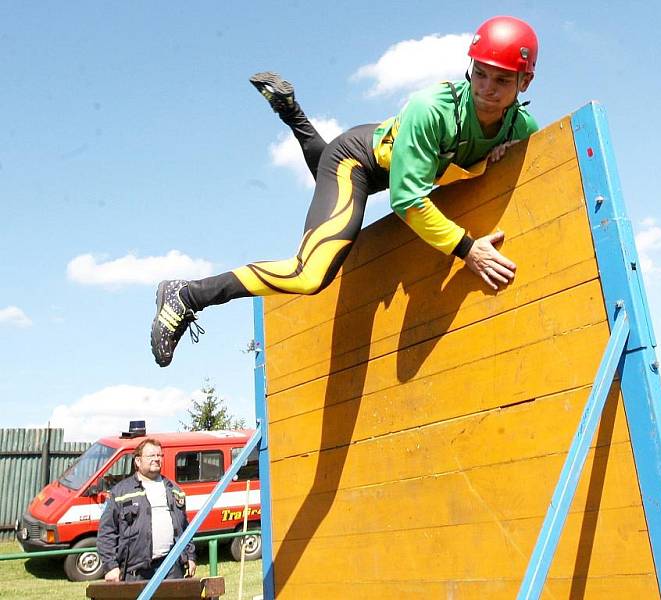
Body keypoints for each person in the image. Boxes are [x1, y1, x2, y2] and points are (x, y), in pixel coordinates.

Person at [150, 16, 540, 367]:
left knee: (322, 178)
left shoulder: (522, 128)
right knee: (310, 274)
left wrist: (491, 163)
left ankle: (291, 113)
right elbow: (406, 199)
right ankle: (188, 294)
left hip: (386, 163)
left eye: (503, 79)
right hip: (357, 162)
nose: (487, 89)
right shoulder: (431, 108)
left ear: (525, 82)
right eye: (481, 74)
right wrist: (467, 249)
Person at [97, 438, 197, 581]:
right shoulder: (120, 492)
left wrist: (190, 556)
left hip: (172, 569)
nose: (156, 459)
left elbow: (185, 528)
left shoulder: (174, 490)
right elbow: (106, 532)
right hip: (136, 572)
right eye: (151, 456)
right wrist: (110, 566)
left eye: (159, 456)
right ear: (138, 461)